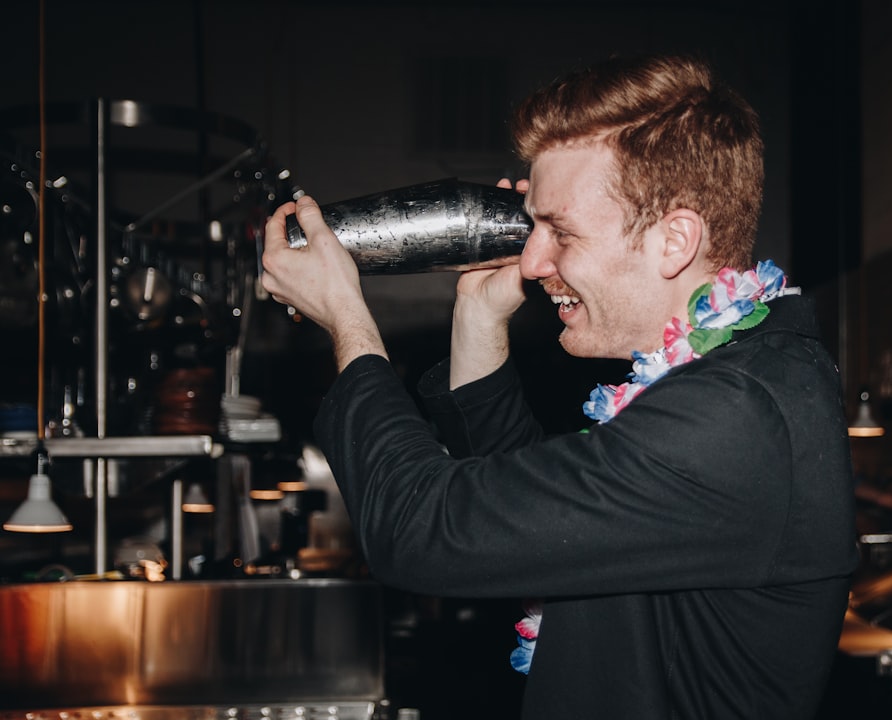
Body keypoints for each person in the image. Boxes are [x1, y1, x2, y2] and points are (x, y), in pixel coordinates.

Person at [260, 53, 858, 720]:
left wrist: (347, 320)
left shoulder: (741, 416)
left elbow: (424, 530)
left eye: (561, 231)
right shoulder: (737, 380)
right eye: (533, 225)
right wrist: (480, 314)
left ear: (673, 241)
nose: (534, 259)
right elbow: (514, 507)